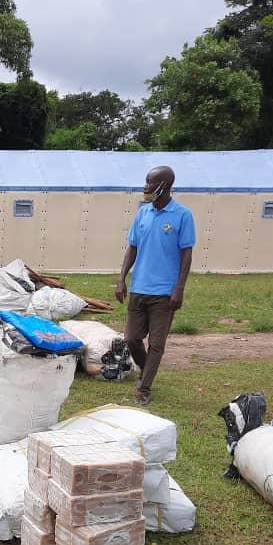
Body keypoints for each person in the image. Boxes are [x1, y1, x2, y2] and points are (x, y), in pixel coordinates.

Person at [115, 165, 195, 406]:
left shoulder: (182, 215)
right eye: (146, 181)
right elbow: (132, 248)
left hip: (164, 293)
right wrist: (121, 279)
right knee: (132, 339)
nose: (146, 187)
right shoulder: (143, 213)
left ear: (165, 185)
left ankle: (144, 387)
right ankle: (145, 369)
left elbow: (186, 254)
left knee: (157, 344)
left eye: (150, 182)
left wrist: (179, 287)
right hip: (139, 288)